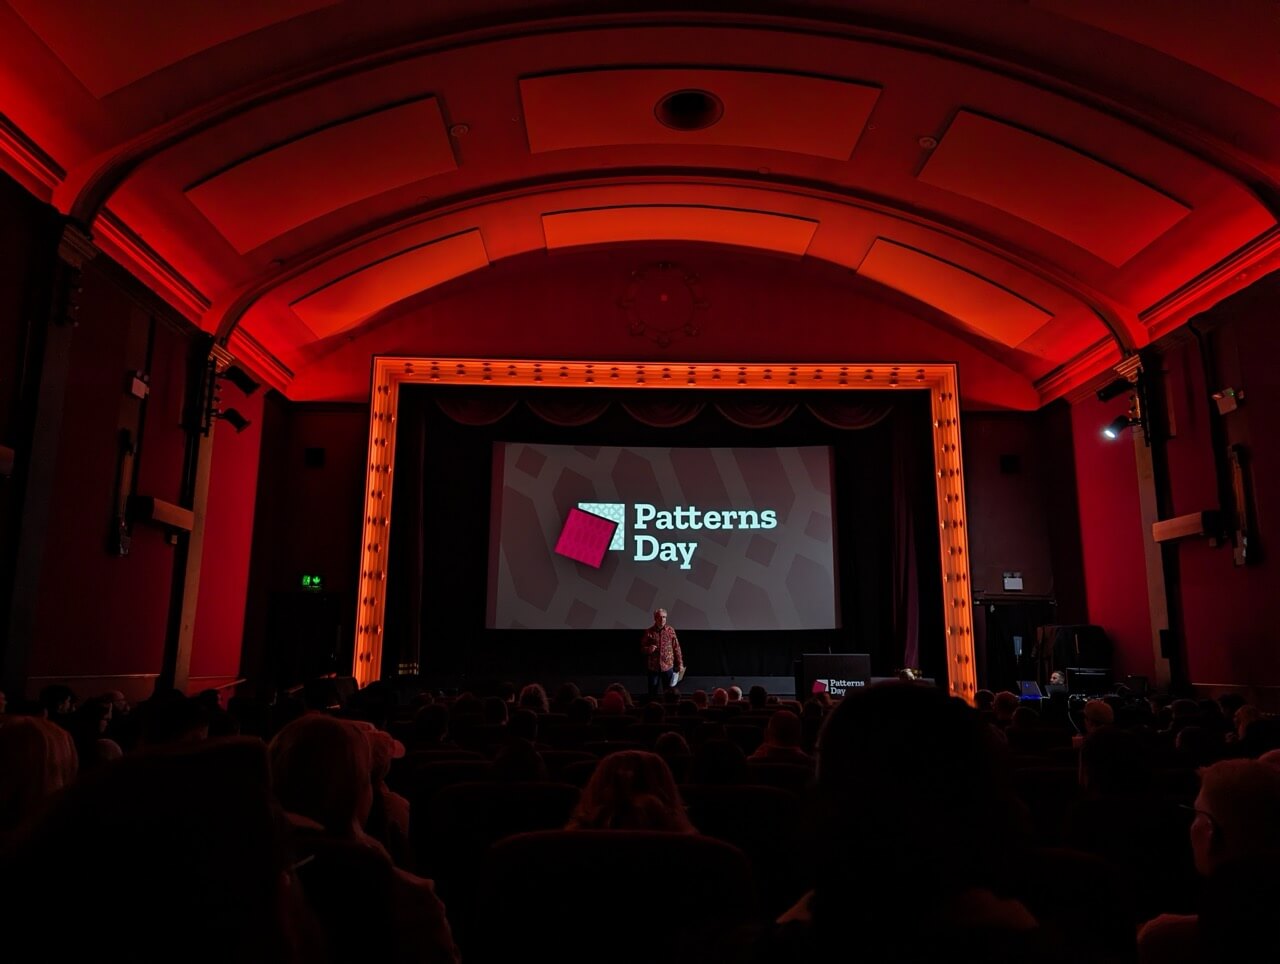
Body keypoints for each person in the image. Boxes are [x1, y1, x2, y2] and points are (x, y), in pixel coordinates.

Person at [641, 608, 684, 700]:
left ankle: (669, 712)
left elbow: (676, 648)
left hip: (667, 666)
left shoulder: (670, 630)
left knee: (669, 692)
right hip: (653, 667)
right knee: (652, 692)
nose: (662, 619)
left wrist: (680, 664)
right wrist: (648, 649)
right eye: (660, 617)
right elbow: (642, 648)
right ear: (655, 618)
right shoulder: (649, 632)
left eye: (664, 617)